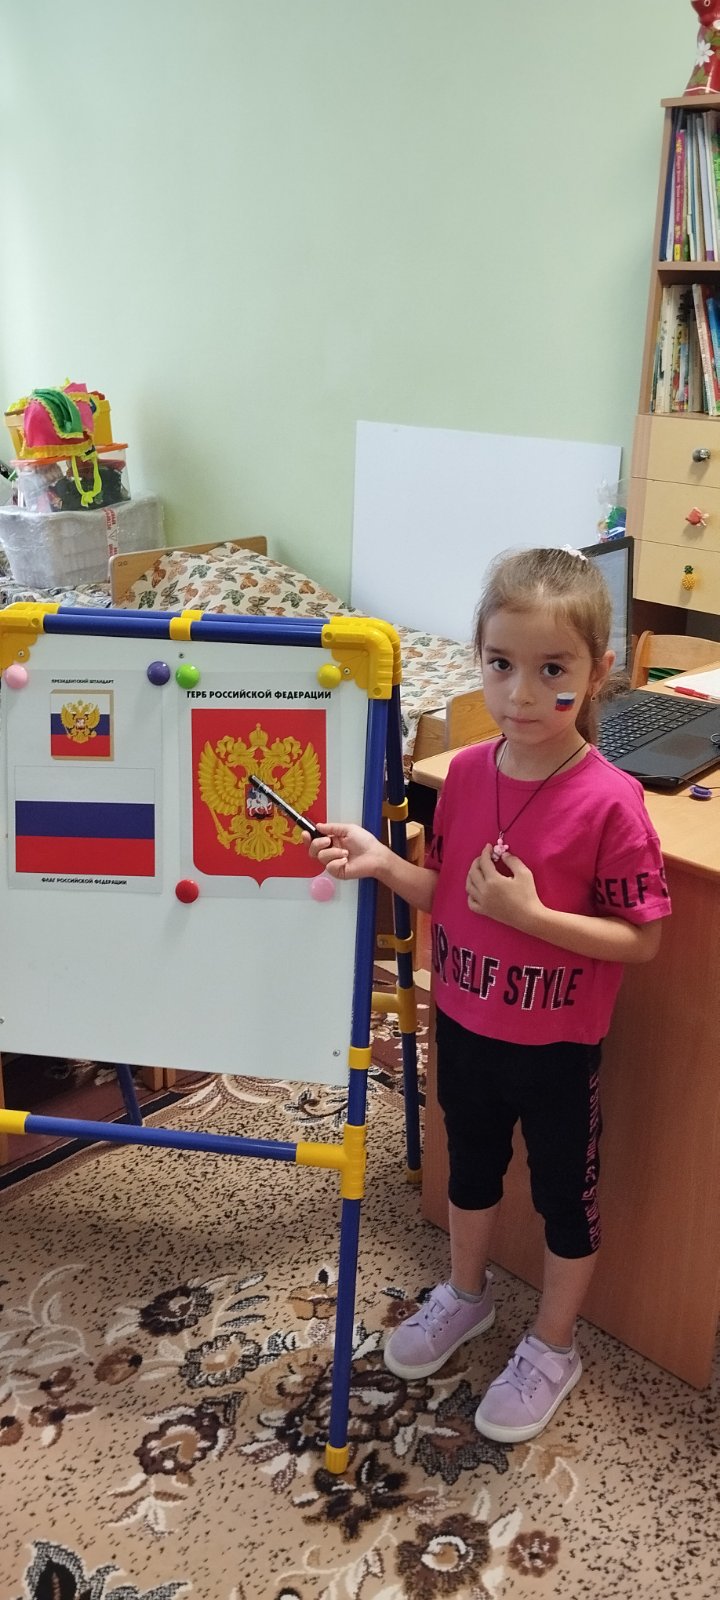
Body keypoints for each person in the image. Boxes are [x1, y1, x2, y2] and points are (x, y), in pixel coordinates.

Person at [308, 545, 671, 1444]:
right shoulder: (465, 774)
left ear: (597, 673)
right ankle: (465, 1294)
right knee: (467, 1169)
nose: (520, 694)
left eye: (552, 670)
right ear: (479, 655)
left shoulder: (613, 802)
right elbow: (451, 896)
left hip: (557, 1048)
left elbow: (643, 938)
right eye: (501, 664)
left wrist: (534, 916)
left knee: (563, 1198)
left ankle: (553, 1343)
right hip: (465, 1024)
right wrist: (383, 861)